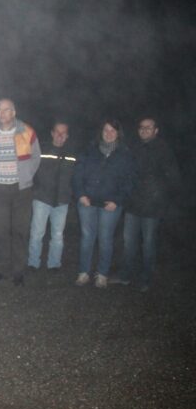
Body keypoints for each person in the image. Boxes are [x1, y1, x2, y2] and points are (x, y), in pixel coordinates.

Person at [113, 118, 180, 291]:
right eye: (141, 127)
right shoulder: (134, 148)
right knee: (128, 242)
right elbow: (127, 173)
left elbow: (173, 177)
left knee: (148, 244)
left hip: (153, 206)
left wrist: (161, 196)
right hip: (133, 204)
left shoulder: (164, 149)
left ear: (156, 130)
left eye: (148, 128)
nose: (144, 130)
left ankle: (146, 279)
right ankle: (125, 275)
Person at [0, 98, 41, 286]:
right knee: (0, 232)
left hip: (21, 190)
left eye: (6, 110)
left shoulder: (26, 131)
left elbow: (36, 157)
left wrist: (25, 177)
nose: (2, 113)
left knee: (19, 231)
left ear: (13, 112)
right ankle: (2, 269)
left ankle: (18, 271)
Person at [72, 119, 136, 288]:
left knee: (106, 239)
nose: (109, 133)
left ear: (118, 133)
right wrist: (81, 194)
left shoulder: (125, 154)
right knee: (87, 237)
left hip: (111, 204)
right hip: (87, 202)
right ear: (101, 132)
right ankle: (83, 272)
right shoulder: (89, 150)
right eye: (106, 130)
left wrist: (117, 200)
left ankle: (102, 274)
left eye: (113, 130)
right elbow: (77, 173)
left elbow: (129, 181)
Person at [27, 121, 76, 272]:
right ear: (52, 133)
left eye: (63, 133)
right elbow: (30, 169)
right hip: (42, 198)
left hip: (62, 200)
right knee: (36, 233)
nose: (60, 136)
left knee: (58, 235)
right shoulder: (41, 149)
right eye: (57, 132)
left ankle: (54, 264)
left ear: (67, 136)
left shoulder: (72, 153)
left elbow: (76, 176)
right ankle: (33, 263)